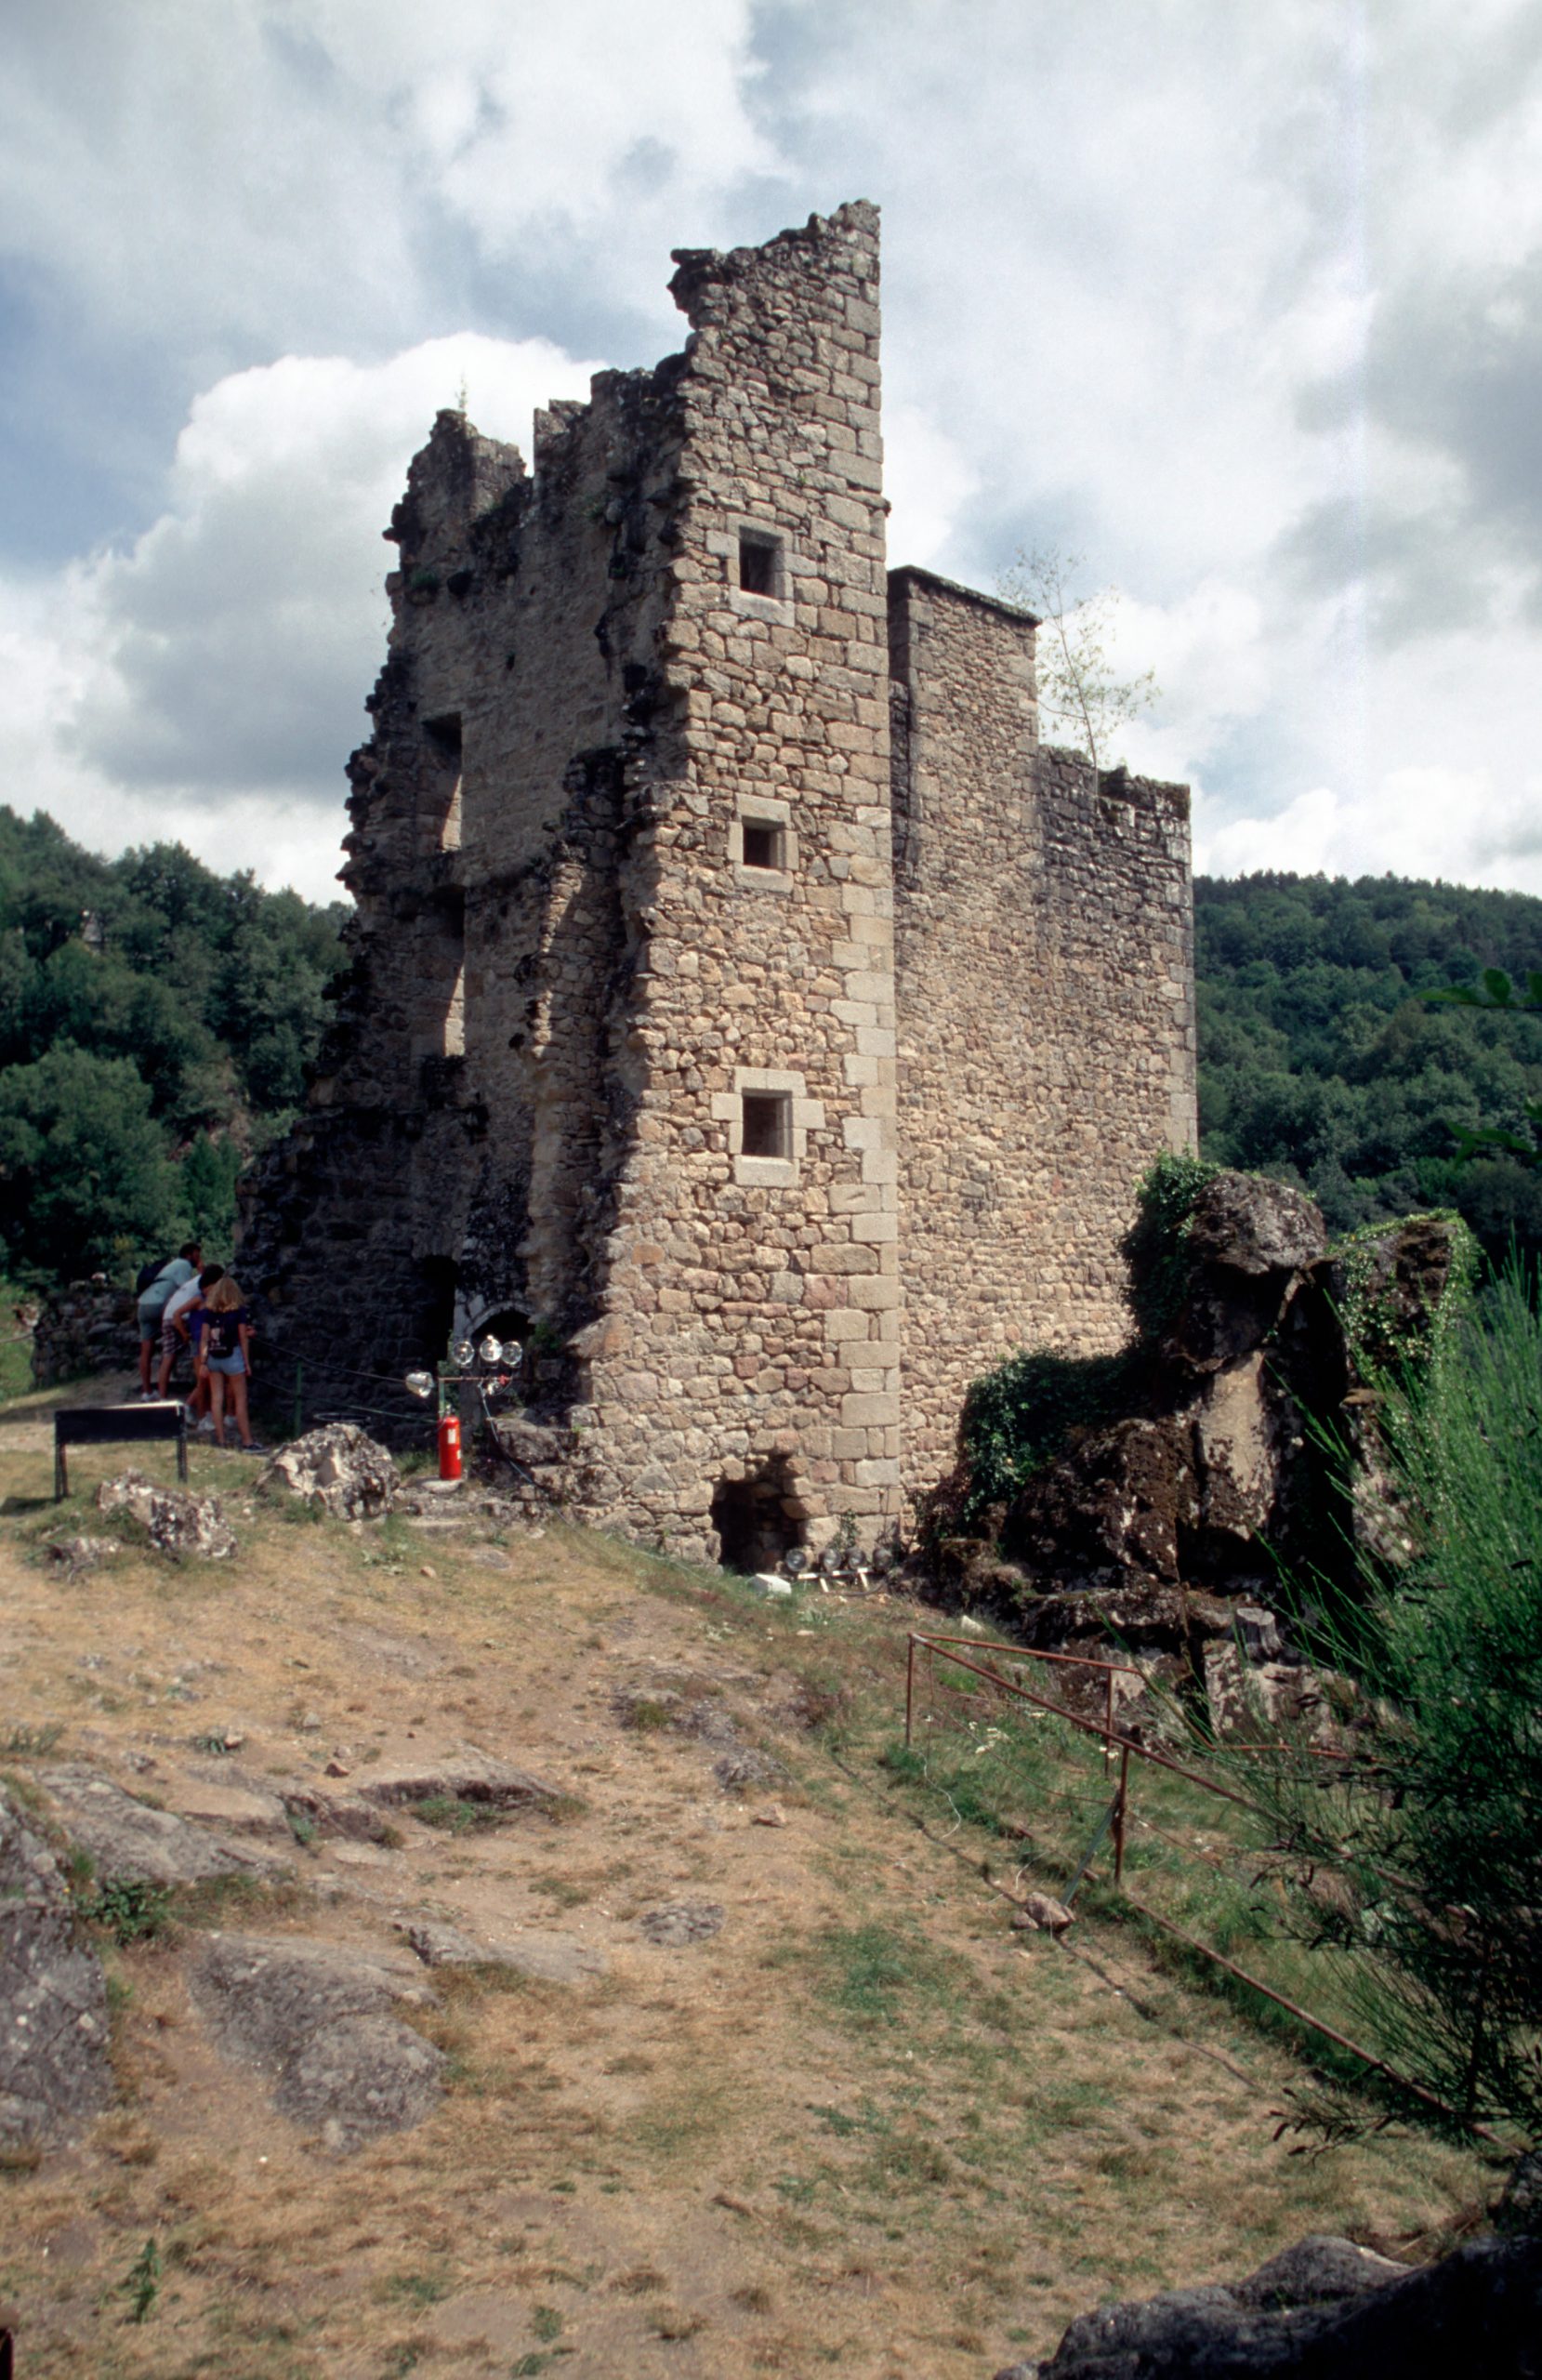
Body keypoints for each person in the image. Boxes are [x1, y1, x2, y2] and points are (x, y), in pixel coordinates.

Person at [199, 1276, 266, 1454]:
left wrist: (203, 1361)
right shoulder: (239, 1311)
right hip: (232, 1356)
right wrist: (246, 1362)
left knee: (216, 1399)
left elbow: (204, 1338)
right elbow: (243, 1337)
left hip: (213, 1357)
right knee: (241, 1400)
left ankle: (221, 1440)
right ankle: (247, 1441)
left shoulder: (209, 1312)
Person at [136, 1243, 201, 1395]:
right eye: (197, 1255)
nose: (199, 1258)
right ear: (189, 1255)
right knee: (170, 1349)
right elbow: (186, 1290)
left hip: (144, 1304)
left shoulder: (169, 1267)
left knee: (146, 1351)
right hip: (160, 1303)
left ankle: (147, 1392)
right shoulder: (184, 1264)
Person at [156, 1263, 224, 1407]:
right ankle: (190, 1408)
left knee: (206, 1378)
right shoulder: (201, 1297)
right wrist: (185, 1335)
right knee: (203, 1379)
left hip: (176, 1321)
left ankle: (175, 1402)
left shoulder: (196, 1286)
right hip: (197, 1338)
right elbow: (178, 1314)